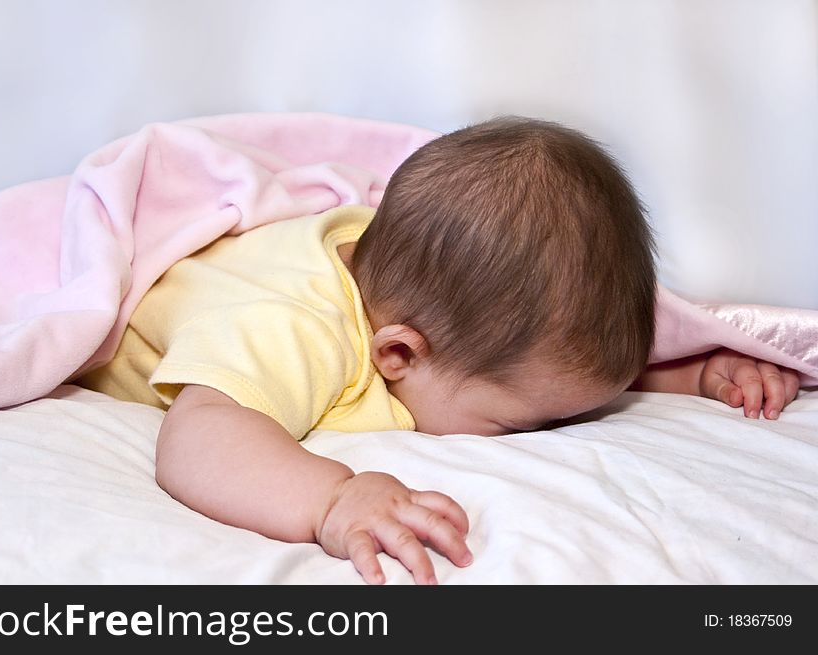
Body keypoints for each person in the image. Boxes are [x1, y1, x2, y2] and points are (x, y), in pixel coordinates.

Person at [77, 117, 801, 584]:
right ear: (399, 355)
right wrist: (330, 497)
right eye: (519, 424)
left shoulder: (433, 297)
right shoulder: (292, 328)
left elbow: (546, 364)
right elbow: (199, 437)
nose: (546, 434)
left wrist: (695, 369)